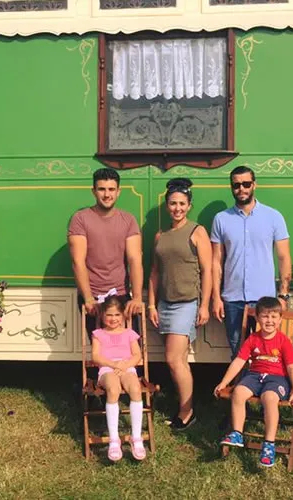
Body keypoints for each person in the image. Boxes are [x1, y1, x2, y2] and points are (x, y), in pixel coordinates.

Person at [147, 178, 212, 431]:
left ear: (189, 205)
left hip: (187, 303)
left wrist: (204, 305)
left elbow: (207, 271)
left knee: (173, 359)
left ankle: (187, 412)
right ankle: (184, 408)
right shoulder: (160, 236)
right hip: (165, 303)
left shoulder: (197, 232)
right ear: (167, 206)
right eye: (173, 203)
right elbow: (154, 272)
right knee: (180, 360)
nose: (177, 208)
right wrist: (152, 305)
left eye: (182, 204)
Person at [210, 165, 292, 358]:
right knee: (238, 353)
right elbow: (216, 261)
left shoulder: (273, 217)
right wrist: (216, 297)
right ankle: (241, 387)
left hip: (264, 299)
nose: (241, 189)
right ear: (231, 187)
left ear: (254, 185)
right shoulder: (221, 219)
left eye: (246, 184)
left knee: (266, 353)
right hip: (233, 299)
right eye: (236, 185)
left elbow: (284, 257)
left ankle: (265, 388)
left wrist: (284, 295)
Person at [213, 296, 293, 468]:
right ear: (258, 318)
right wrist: (224, 383)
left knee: (269, 398)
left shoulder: (284, 341)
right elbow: (239, 362)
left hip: (277, 379)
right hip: (254, 376)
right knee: (238, 392)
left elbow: (291, 368)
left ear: (280, 319)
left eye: (274, 316)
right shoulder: (253, 339)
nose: (269, 321)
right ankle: (237, 432)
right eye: (265, 316)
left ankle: (269, 445)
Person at [68, 167, 144, 335]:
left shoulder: (128, 220)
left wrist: (137, 297)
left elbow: (135, 259)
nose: (107, 194)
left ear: (118, 192)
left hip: (121, 295)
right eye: (102, 189)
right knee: (101, 352)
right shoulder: (80, 219)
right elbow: (78, 261)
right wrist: (88, 297)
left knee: (131, 349)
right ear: (94, 191)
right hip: (93, 298)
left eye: (111, 189)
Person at [90, 297, 146, 462]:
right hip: (107, 368)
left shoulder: (129, 333)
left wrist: (125, 365)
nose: (113, 318)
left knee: (135, 389)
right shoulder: (98, 334)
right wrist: (113, 364)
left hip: (126, 367)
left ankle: (136, 437)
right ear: (102, 316)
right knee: (113, 390)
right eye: (109, 315)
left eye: (116, 314)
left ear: (123, 316)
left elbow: (137, 355)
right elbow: (96, 356)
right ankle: (114, 439)